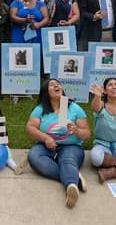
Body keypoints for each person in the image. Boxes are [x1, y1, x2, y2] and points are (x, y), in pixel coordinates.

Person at [25, 79, 90, 209]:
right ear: (45, 92)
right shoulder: (40, 109)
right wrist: (45, 138)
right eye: (51, 84)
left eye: (58, 83)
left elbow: (87, 133)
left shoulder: (74, 108)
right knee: (33, 156)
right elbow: (30, 128)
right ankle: (73, 177)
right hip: (46, 146)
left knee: (67, 159)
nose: (56, 85)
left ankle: (70, 186)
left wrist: (76, 130)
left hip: (71, 146)